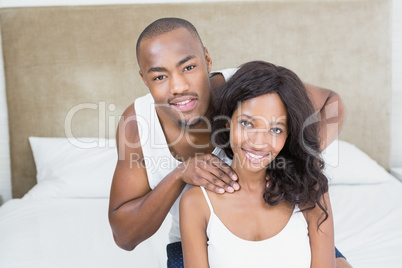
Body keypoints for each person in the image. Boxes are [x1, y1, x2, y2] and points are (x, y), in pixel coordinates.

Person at [108, 18, 350, 267]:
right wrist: (181, 174)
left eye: (189, 67)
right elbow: (125, 236)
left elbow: (331, 103)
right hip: (198, 237)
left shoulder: (247, 88)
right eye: (159, 76)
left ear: (207, 60)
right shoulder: (138, 125)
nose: (179, 86)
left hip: (278, 220)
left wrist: (291, 158)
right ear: (144, 79)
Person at [180, 60, 335, 267]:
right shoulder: (195, 203)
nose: (258, 142)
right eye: (246, 123)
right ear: (228, 122)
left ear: (289, 135)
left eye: (275, 129)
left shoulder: (310, 191)